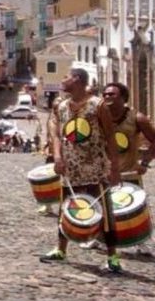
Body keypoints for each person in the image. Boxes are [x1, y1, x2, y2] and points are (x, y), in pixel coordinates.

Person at [39, 68, 122, 273]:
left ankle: (112, 256)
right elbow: (57, 134)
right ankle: (60, 249)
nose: (63, 80)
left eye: (66, 77)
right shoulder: (62, 106)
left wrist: (114, 167)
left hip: (95, 167)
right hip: (70, 167)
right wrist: (57, 157)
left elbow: (110, 136)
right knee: (66, 207)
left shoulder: (98, 105)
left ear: (76, 80)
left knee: (104, 211)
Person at [95, 82, 155, 255]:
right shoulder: (98, 117)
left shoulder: (137, 118)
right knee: (102, 207)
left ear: (123, 98)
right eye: (105, 94)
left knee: (135, 209)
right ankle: (98, 238)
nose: (107, 97)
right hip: (104, 172)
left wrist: (144, 162)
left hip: (129, 173)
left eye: (112, 94)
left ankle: (142, 241)